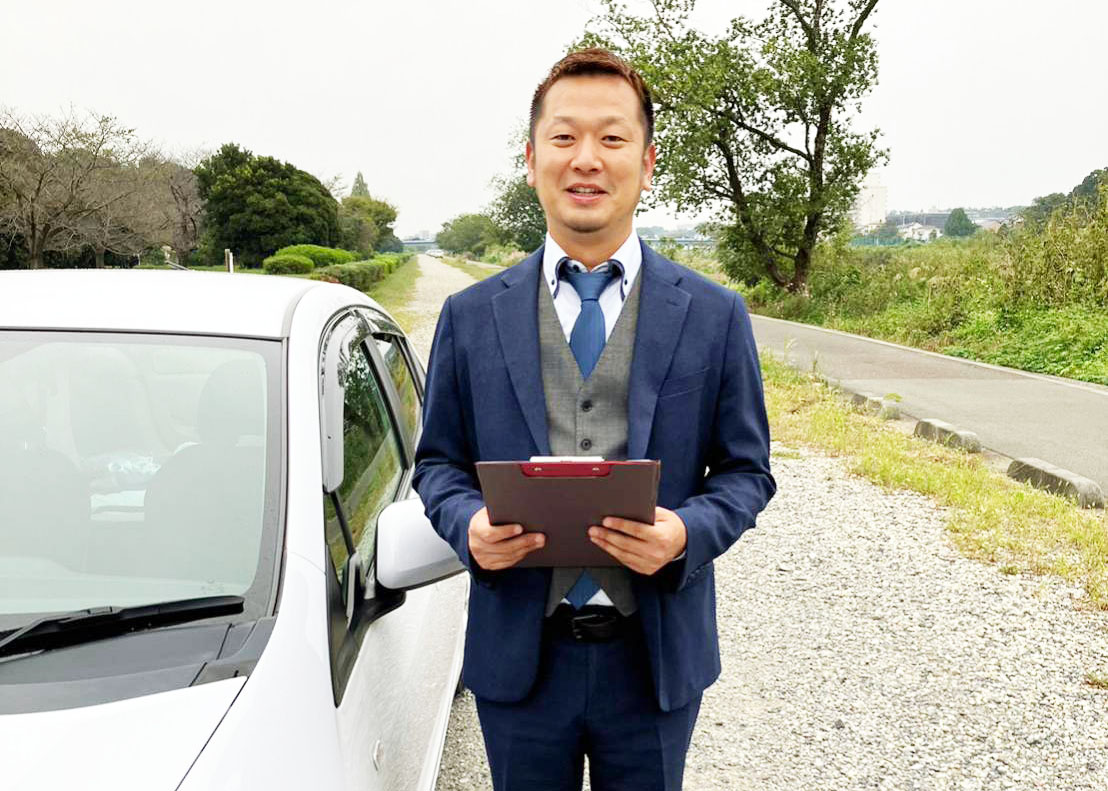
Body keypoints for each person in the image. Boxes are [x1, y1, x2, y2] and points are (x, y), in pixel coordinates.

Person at [413, 48, 776, 791]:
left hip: (653, 659)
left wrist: (684, 535)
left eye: (611, 139)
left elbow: (747, 471)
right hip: (521, 654)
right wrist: (469, 526)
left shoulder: (713, 315)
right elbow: (437, 464)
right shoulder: (470, 316)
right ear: (531, 158)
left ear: (646, 164)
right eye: (564, 137)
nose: (586, 159)